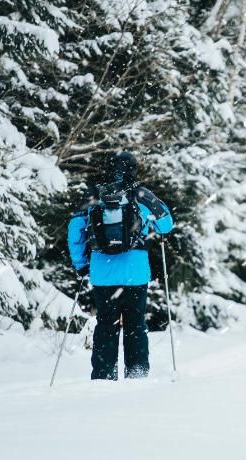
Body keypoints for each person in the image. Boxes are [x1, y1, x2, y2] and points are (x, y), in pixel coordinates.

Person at [67, 152, 173, 380]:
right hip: (135, 274)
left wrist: (82, 265)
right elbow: (166, 225)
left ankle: (104, 375)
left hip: (102, 273)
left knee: (106, 325)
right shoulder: (141, 195)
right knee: (135, 324)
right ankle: (136, 373)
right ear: (133, 170)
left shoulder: (94, 196)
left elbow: (75, 230)